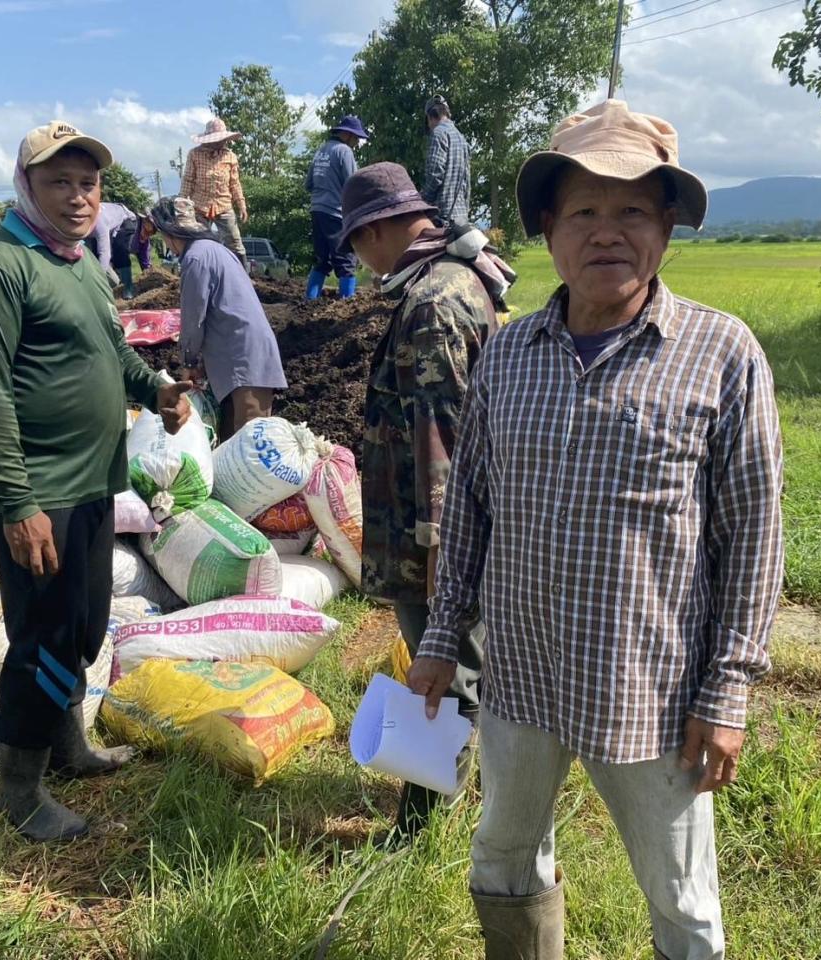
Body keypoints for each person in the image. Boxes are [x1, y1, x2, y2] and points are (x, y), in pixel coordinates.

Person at [409, 100, 784, 959]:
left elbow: (755, 538)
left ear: (666, 229)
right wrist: (438, 640)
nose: (606, 232)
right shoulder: (508, 353)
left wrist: (727, 693)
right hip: (522, 674)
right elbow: (467, 508)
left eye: (633, 211)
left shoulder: (721, 354)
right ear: (549, 227)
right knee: (504, 857)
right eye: (584, 210)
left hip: (649, 692)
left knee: (683, 899)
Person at [0, 120, 194, 842]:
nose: (79, 196)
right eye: (60, 181)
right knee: (42, 636)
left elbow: (112, 353)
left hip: (89, 484)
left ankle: (70, 745)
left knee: (83, 625)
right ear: (27, 186)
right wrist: (17, 502)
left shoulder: (82, 263)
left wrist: (158, 391)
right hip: (36, 491)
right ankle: (20, 788)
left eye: (88, 183)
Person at [338, 161, 514, 841]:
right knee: (465, 666)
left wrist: (442, 552)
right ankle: (471, 793)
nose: (360, 257)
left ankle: (422, 823)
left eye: (359, 241)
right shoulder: (454, 279)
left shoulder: (434, 302)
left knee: (445, 674)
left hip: (431, 536)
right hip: (444, 528)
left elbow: (442, 433)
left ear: (381, 229)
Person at [150, 196, 286, 441]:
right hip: (242, 355)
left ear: (168, 232)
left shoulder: (195, 259)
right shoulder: (215, 250)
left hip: (244, 358)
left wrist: (189, 363)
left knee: (249, 444)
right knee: (233, 443)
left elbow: (193, 320)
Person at [304, 115, 369, 300]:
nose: (357, 142)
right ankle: (347, 304)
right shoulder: (344, 151)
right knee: (346, 261)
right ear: (348, 135)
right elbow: (353, 184)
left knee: (322, 260)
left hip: (317, 211)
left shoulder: (321, 150)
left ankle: (309, 302)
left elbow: (308, 184)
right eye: (357, 138)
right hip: (335, 214)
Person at [180, 118, 248, 267]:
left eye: (222, 139)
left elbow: (235, 183)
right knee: (197, 241)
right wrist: (182, 203)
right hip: (200, 205)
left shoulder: (230, 156)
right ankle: (194, 272)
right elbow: (188, 180)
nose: (220, 142)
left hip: (223, 205)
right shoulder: (194, 155)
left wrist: (241, 205)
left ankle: (243, 276)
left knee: (235, 242)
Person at [421, 95, 471, 227]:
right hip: (461, 217)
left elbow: (435, 174)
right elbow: (467, 182)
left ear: (430, 117)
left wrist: (421, 202)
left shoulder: (438, 134)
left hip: (442, 217)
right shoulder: (462, 139)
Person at [86, 201, 152, 297]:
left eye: (150, 232)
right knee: (93, 256)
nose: (147, 234)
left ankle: (127, 289)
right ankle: (113, 284)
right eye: (147, 230)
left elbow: (105, 254)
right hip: (108, 228)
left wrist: (149, 276)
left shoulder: (100, 224)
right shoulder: (75, 225)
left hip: (124, 219)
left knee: (120, 248)